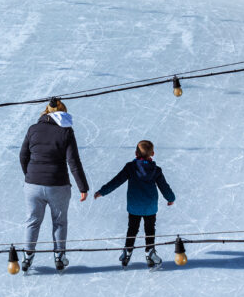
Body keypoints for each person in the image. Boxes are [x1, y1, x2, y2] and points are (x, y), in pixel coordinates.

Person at [19, 97, 89, 273]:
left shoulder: (33, 129)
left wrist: (30, 176)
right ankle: (59, 256)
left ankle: (27, 257)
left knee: (32, 222)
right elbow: (73, 161)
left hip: (32, 185)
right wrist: (83, 187)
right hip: (58, 185)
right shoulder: (66, 132)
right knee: (59, 222)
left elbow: (22, 156)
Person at [94, 140, 175, 269]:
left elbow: (117, 181)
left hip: (134, 206)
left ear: (136, 153)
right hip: (150, 206)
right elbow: (164, 186)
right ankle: (150, 251)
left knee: (132, 228)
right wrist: (170, 198)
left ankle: (128, 251)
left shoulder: (130, 167)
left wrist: (102, 191)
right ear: (152, 153)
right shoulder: (156, 170)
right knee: (150, 229)